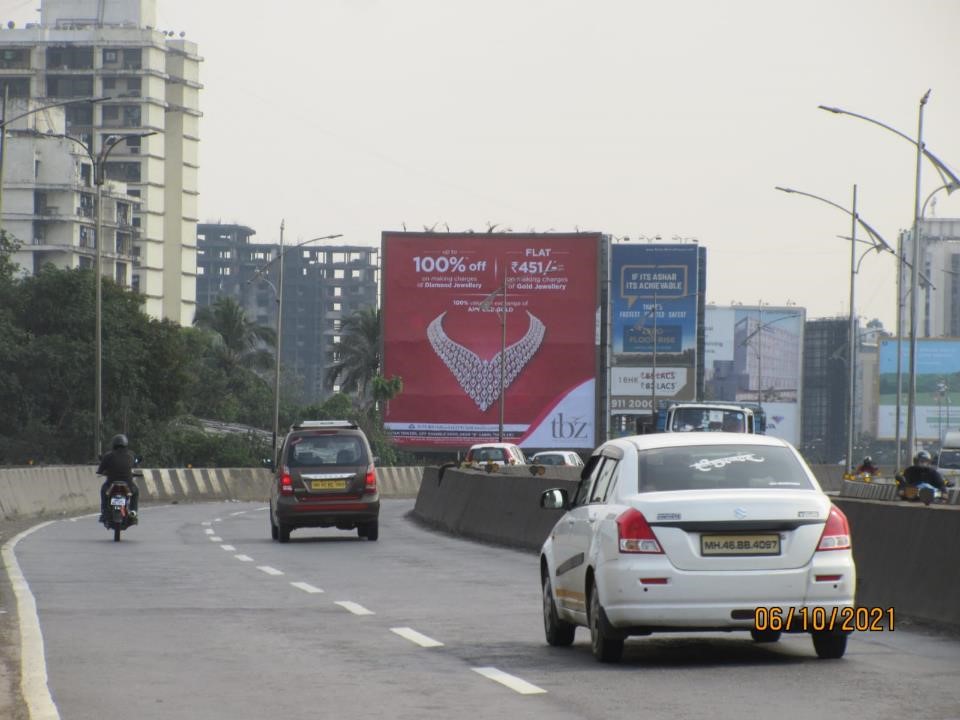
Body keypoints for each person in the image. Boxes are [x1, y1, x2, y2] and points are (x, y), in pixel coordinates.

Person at [97, 434, 139, 523]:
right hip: (128, 484)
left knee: (103, 491)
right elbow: (135, 463)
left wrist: (103, 472)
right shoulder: (131, 455)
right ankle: (133, 512)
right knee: (136, 492)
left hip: (111, 484)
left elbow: (100, 470)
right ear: (125, 444)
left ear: (113, 444)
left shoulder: (108, 456)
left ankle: (104, 511)